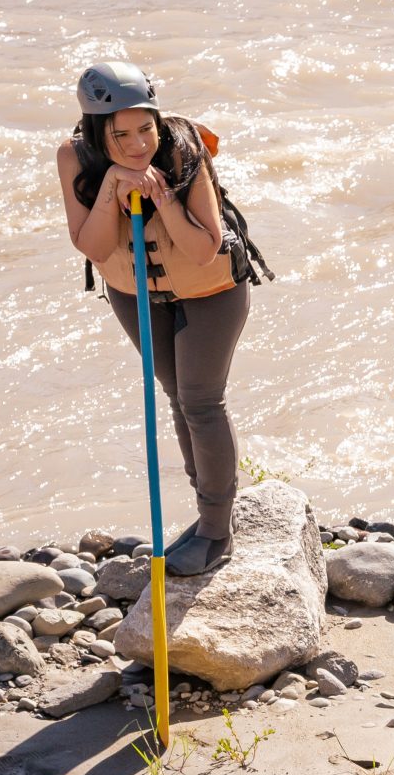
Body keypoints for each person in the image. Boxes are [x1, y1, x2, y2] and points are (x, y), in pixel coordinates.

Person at [56, 61, 272, 576]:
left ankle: (217, 533)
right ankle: (207, 515)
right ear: (94, 130)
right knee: (178, 396)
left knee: (201, 401)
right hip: (134, 292)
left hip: (212, 290)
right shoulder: (74, 157)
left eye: (145, 128)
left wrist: (162, 196)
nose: (138, 144)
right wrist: (111, 186)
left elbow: (203, 248)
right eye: (121, 134)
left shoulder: (183, 146)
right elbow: (92, 244)